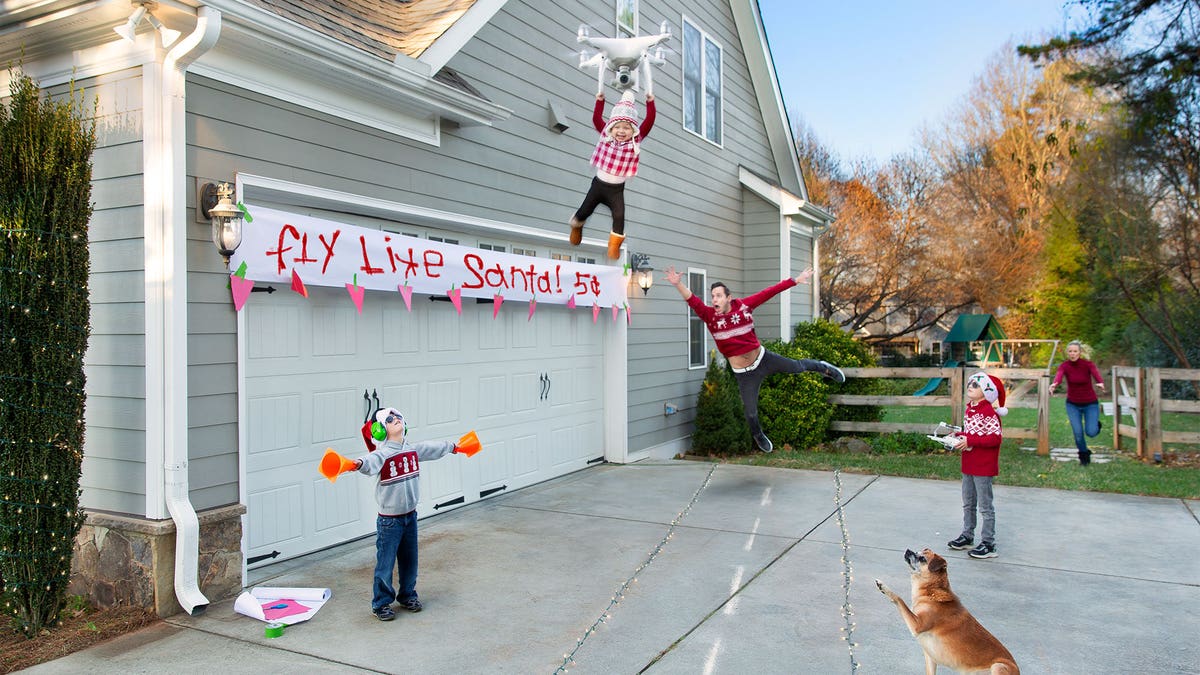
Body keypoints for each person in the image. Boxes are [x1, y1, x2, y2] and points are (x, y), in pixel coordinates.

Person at [664, 265, 845, 453]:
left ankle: (824, 368)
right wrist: (678, 284)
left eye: (718, 295)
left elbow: (769, 292)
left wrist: (795, 280)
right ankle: (758, 435)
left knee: (797, 367)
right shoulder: (710, 316)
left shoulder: (744, 306)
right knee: (750, 412)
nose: (714, 299)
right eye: (712, 296)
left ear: (728, 297)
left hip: (763, 358)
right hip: (744, 374)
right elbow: (692, 300)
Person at [350, 407, 461, 621]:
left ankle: (408, 595)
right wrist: (358, 464)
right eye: (390, 419)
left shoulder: (411, 449)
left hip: (411, 516)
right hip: (389, 521)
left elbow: (432, 448)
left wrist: (453, 447)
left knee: (410, 560)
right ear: (381, 430)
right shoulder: (382, 454)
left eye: (398, 417)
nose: (396, 420)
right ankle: (381, 603)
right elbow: (369, 463)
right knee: (386, 562)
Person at [569, 89, 656, 260]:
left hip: (616, 190)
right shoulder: (605, 136)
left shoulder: (635, 142)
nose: (621, 131)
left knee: (619, 216)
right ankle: (576, 226)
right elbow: (596, 120)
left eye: (626, 128)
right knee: (584, 210)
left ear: (633, 131)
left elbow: (649, 122)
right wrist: (600, 101)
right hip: (598, 186)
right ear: (611, 127)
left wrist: (650, 103)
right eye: (617, 127)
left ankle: (614, 246)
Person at [946, 372, 1007, 560]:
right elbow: (971, 433)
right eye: (970, 382)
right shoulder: (970, 409)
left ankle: (989, 543)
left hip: (983, 465)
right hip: (969, 463)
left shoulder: (988, 412)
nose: (970, 385)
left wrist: (970, 439)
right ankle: (968, 535)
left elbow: (995, 438)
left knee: (985, 506)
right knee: (968, 502)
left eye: (976, 384)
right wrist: (958, 437)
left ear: (987, 392)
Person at [1050, 340, 1106, 466]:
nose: (1072, 354)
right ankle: (1084, 456)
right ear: (1067, 353)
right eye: (1070, 351)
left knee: (1091, 432)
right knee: (1078, 433)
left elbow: (1096, 373)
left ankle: (1096, 426)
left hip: (1090, 403)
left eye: (1075, 351)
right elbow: (1059, 375)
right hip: (1073, 405)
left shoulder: (1087, 364)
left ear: (1080, 352)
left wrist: (1100, 382)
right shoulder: (1064, 366)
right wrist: (1054, 384)